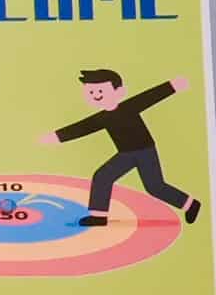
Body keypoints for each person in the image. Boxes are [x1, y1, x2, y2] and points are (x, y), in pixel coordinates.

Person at [56, 69, 201, 227]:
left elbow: (150, 97)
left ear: (119, 92)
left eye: (100, 91)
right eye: (91, 92)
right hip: (125, 154)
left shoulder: (130, 106)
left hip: (145, 151)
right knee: (102, 176)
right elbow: (82, 127)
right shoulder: (102, 117)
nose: (96, 95)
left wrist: (172, 86)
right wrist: (57, 136)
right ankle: (98, 216)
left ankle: (190, 204)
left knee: (155, 187)